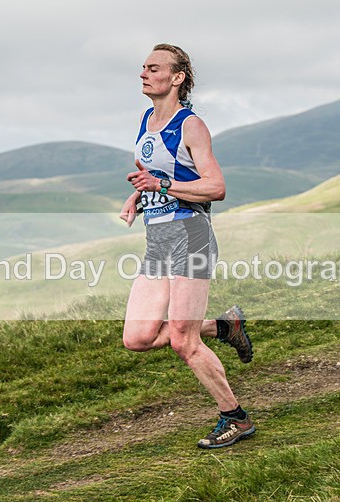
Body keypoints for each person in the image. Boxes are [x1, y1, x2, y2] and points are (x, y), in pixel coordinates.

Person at [119, 43, 255, 449]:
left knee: (183, 340)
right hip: (158, 240)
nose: (144, 73)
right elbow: (159, 175)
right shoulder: (147, 119)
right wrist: (140, 197)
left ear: (177, 78)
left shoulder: (191, 125)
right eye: (143, 67)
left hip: (190, 236)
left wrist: (160, 185)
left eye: (154, 68)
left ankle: (236, 419)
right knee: (137, 337)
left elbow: (216, 187)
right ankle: (225, 326)